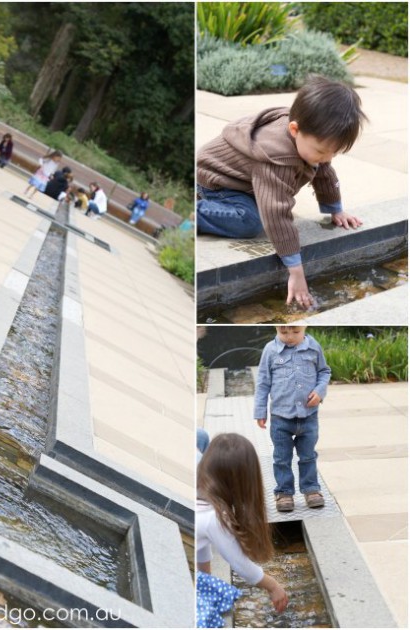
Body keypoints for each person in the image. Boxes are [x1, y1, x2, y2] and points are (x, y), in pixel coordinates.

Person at [196, 75, 367, 309]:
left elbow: (324, 172)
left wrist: (335, 209)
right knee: (251, 221)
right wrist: (296, 271)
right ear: (294, 129)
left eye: (333, 154)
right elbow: (276, 213)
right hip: (219, 182)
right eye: (321, 151)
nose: (326, 159)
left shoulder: (310, 132)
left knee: (288, 188)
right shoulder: (276, 156)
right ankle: (198, 212)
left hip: (247, 182)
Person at [196, 433, 288, 628]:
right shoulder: (215, 518)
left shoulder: (200, 492)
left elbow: (200, 543)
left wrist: (205, 579)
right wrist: (273, 586)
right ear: (245, 481)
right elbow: (240, 564)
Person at [254, 325, 331, 512]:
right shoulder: (270, 350)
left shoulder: (313, 347)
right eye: (283, 332)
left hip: (308, 417)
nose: (289, 337)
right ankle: (284, 492)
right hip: (281, 417)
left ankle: (311, 489)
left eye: (296, 332)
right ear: (276, 329)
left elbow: (324, 372)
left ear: (304, 327)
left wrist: (320, 392)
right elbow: (263, 382)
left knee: (308, 456)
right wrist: (260, 411)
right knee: (281, 458)